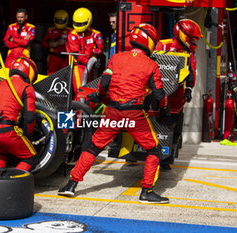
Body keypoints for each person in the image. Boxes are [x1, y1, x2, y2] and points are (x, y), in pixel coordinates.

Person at [58, 23, 171, 204]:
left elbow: (104, 81)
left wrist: (98, 95)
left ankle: (71, 185)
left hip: (112, 112)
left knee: (93, 147)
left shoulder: (117, 57)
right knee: (154, 149)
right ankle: (146, 191)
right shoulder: (151, 65)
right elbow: (159, 94)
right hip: (134, 114)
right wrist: (165, 110)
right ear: (149, 41)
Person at [154, 19, 202, 170]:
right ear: (183, 34)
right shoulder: (162, 44)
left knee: (174, 126)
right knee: (151, 123)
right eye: (193, 38)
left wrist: (189, 89)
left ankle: (166, 159)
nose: (194, 42)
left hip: (177, 96)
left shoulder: (189, 51)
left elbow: (191, 71)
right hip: (156, 93)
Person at [0, 57, 38, 171]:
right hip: (7, 132)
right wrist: (28, 136)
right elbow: (30, 118)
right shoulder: (26, 88)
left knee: (4, 152)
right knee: (31, 157)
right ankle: (15, 181)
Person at [66, 7, 104, 98]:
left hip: (92, 67)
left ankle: (88, 111)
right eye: (76, 23)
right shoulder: (72, 35)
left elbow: (100, 50)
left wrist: (92, 55)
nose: (79, 26)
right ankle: (79, 111)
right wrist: (89, 60)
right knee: (81, 91)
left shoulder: (95, 34)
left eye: (81, 24)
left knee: (91, 91)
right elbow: (77, 54)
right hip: (77, 66)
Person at [41, 10, 71, 75]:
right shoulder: (50, 30)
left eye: (62, 20)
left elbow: (76, 45)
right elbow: (43, 43)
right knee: (51, 75)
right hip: (53, 56)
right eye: (58, 20)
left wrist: (66, 42)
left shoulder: (70, 31)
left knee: (65, 76)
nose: (60, 22)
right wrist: (51, 44)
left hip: (65, 57)